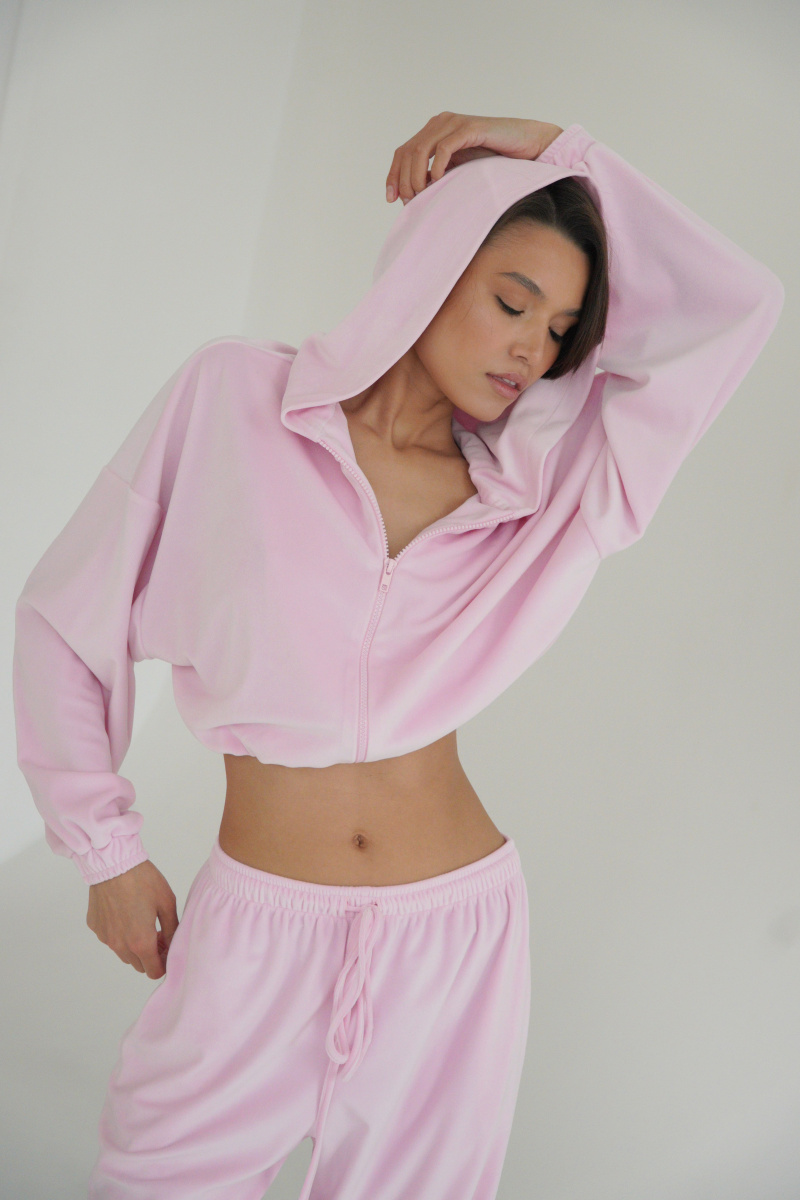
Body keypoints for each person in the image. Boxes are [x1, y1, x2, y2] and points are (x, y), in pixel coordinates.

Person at [12, 113, 784, 1199]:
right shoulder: (234, 401)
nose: (532, 349)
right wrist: (104, 851)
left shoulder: (547, 490)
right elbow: (62, 617)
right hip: (255, 932)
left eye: (561, 330)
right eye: (511, 302)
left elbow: (737, 306)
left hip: (453, 937)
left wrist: (561, 149)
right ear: (431, 266)